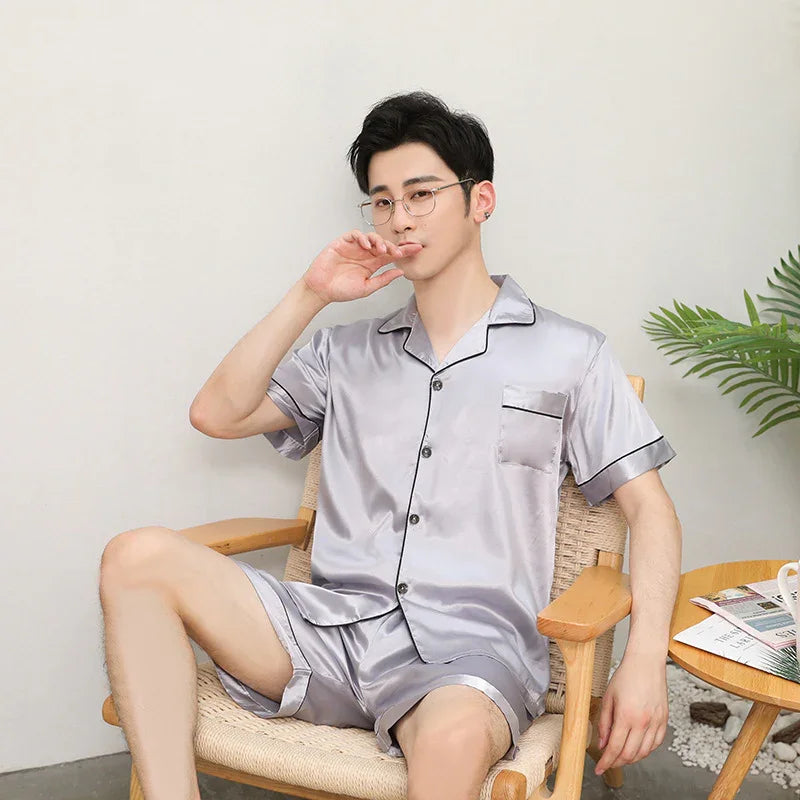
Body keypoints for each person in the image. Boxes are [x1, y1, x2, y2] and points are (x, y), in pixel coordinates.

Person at [99, 91, 682, 800]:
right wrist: (312, 293)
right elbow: (216, 415)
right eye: (380, 201)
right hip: (327, 632)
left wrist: (646, 658)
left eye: (422, 194)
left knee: (452, 738)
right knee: (136, 558)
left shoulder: (570, 354)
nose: (400, 218)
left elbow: (650, 512)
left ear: (481, 200)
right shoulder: (344, 351)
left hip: (467, 660)